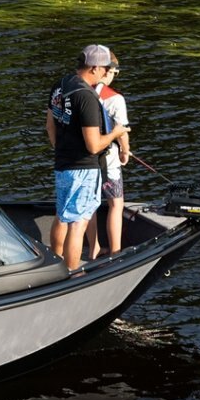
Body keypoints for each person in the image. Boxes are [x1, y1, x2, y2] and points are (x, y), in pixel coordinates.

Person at [46, 44, 130, 271]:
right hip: (84, 168)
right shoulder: (87, 97)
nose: (108, 73)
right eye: (106, 68)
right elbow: (93, 146)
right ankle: (72, 274)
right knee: (77, 224)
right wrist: (115, 133)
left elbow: (50, 124)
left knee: (62, 215)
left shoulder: (61, 85)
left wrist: (61, 149)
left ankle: (55, 265)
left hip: (63, 164)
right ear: (94, 68)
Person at [86, 56, 131, 259]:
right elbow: (122, 131)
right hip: (108, 159)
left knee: (90, 205)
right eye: (115, 72)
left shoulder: (81, 92)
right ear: (108, 71)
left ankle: (93, 248)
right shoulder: (116, 99)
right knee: (116, 203)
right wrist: (125, 150)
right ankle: (115, 252)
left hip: (85, 157)